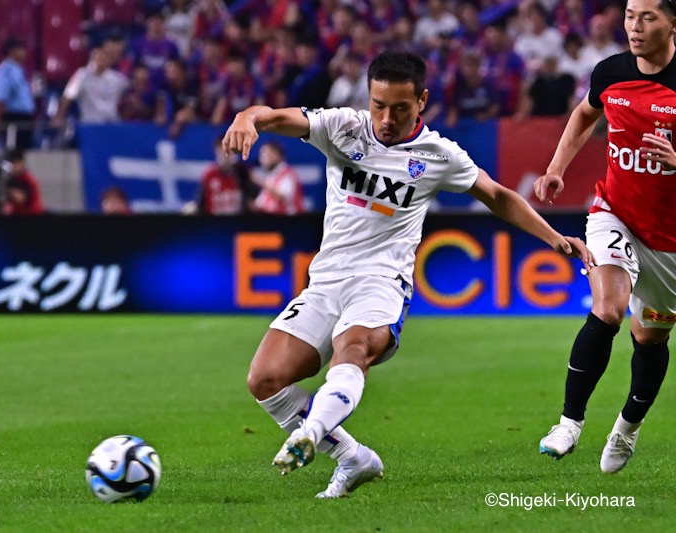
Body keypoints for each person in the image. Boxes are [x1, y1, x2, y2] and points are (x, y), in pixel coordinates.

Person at [222, 49, 593, 498]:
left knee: (353, 348)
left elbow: (496, 195)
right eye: (379, 105)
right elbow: (275, 118)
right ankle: (353, 458)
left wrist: (553, 237)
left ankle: (310, 433)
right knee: (264, 379)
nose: (386, 117)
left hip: (381, 282)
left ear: (421, 101)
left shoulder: (437, 154)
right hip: (326, 282)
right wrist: (248, 118)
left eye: (400, 108)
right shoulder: (343, 126)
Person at [536, 0, 676, 474]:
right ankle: (569, 423)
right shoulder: (611, 72)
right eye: (630, 15)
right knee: (608, 308)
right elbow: (582, 115)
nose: (635, 26)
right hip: (614, 213)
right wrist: (556, 169)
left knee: (650, 338)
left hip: (670, 243)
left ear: (673, 22)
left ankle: (627, 428)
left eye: (648, 17)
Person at [52, 46, 129, 126]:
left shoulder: (116, 78)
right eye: (96, 58)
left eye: (102, 58)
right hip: (90, 124)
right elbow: (67, 96)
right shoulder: (81, 75)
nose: (98, 61)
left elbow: (128, 93)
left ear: (108, 61)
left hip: (111, 123)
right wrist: (59, 116)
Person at [184, 135, 256, 215]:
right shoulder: (209, 175)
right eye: (222, 151)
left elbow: (252, 202)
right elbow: (200, 204)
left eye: (230, 151)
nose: (226, 155)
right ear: (216, 152)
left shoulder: (242, 174)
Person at [0, 38, 35, 150]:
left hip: (25, 119)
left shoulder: (18, 70)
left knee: (21, 155)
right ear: (11, 51)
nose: (24, 52)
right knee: (12, 153)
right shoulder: (6, 71)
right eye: (20, 49)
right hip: (13, 120)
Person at [252, 141, 304, 215]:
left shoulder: (288, 174)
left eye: (266, 154)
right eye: (261, 155)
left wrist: (260, 182)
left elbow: (283, 196)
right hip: (271, 222)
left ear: (277, 155)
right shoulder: (270, 177)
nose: (263, 159)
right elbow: (260, 204)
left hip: (289, 222)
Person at [2, 148, 44, 215]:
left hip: (33, 218)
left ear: (21, 163)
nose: (11, 167)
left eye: (14, 163)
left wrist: (8, 191)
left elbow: (21, 198)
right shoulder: (11, 179)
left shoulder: (28, 179)